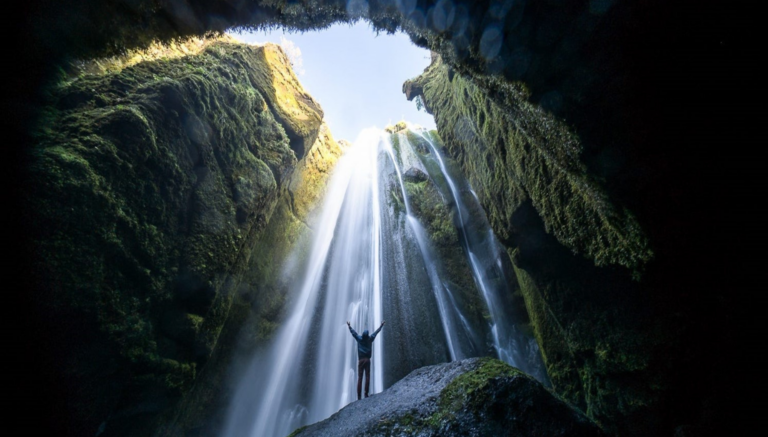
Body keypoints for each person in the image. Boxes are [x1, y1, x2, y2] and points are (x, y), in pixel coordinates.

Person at [347, 319, 385, 400]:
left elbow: (353, 333)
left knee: (360, 378)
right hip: (367, 360)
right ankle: (366, 393)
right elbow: (376, 332)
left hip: (361, 361)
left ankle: (359, 396)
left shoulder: (359, 339)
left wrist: (349, 326)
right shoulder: (370, 339)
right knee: (367, 376)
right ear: (367, 335)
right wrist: (381, 325)